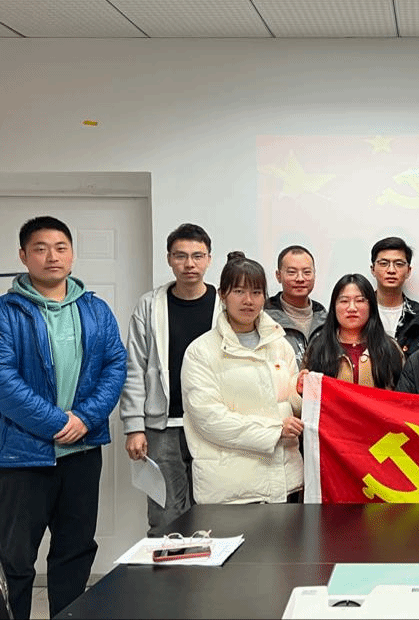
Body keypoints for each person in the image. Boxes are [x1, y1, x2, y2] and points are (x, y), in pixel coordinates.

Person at [0, 216, 126, 619]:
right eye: (40, 248)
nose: (51, 256)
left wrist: (85, 418)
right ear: (23, 256)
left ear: (71, 255)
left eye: (60, 248)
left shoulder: (95, 309)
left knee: (75, 551)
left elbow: (115, 365)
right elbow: (3, 379)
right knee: (15, 558)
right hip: (22, 457)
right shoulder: (6, 312)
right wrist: (56, 423)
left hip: (82, 452)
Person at [119, 223, 221, 535]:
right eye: (181, 256)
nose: (189, 264)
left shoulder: (225, 304)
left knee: (213, 511)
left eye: (197, 256)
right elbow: (134, 367)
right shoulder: (150, 305)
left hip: (212, 423)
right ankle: (167, 568)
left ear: (209, 259)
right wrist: (134, 426)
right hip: (162, 426)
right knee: (165, 515)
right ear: (169, 259)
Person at [181, 252, 303, 504]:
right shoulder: (201, 351)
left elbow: (291, 404)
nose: (248, 300)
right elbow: (210, 419)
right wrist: (274, 431)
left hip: (285, 483)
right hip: (230, 490)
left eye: (256, 292)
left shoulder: (280, 344)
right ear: (222, 294)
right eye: (239, 291)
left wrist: (303, 391)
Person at [299, 274, 404, 391]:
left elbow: (403, 396)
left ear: (371, 306)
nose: (352, 308)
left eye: (360, 300)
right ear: (334, 307)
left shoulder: (390, 348)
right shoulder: (318, 347)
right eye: (344, 301)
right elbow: (308, 397)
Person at [265, 244, 327, 367]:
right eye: (292, 272)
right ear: (278, 276)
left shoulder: (326, 320)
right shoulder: (264, 318)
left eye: (307, 272)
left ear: (314, 275)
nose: (300, 278)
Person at [370, 236, 419, 356]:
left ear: (408, 271)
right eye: (384, 263)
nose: (391, 270)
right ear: (373, 269)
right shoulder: (359, 313)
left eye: (399, 264)